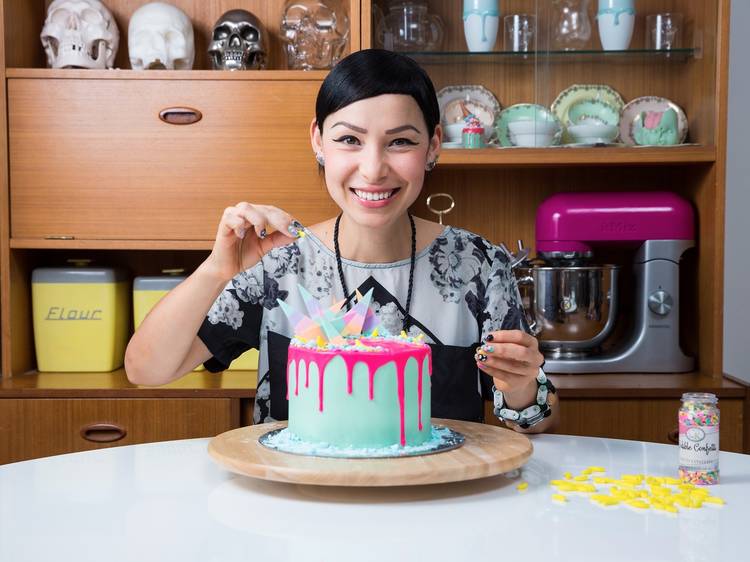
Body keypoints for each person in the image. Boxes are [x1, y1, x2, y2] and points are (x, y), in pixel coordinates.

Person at [125, 49, 558, 433]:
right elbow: (146, 369)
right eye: (349, 139)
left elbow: (537, 416)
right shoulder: (277, 264)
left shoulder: (479, 264)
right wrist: (217, 270)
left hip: (437, 506)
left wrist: (521, 386)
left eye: (401, 142)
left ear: (433, 146)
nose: (372, 169)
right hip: (299, 505)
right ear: (318, 140)